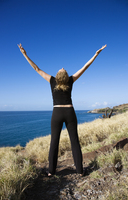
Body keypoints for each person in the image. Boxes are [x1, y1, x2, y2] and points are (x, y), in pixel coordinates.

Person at [18, 43, 107, 176]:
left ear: (59, 75)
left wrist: (24, 54)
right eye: (63, 69)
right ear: (64, 76)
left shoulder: (52, 80)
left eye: (62, 69)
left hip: (57, 112)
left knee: (54, 142)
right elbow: (85, 67)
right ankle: (80, 171)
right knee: (74, 141)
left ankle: (51, 171)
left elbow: (36, 68)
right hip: (70, 112)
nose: (63, 68)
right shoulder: (71, 80)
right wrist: (95, 54)